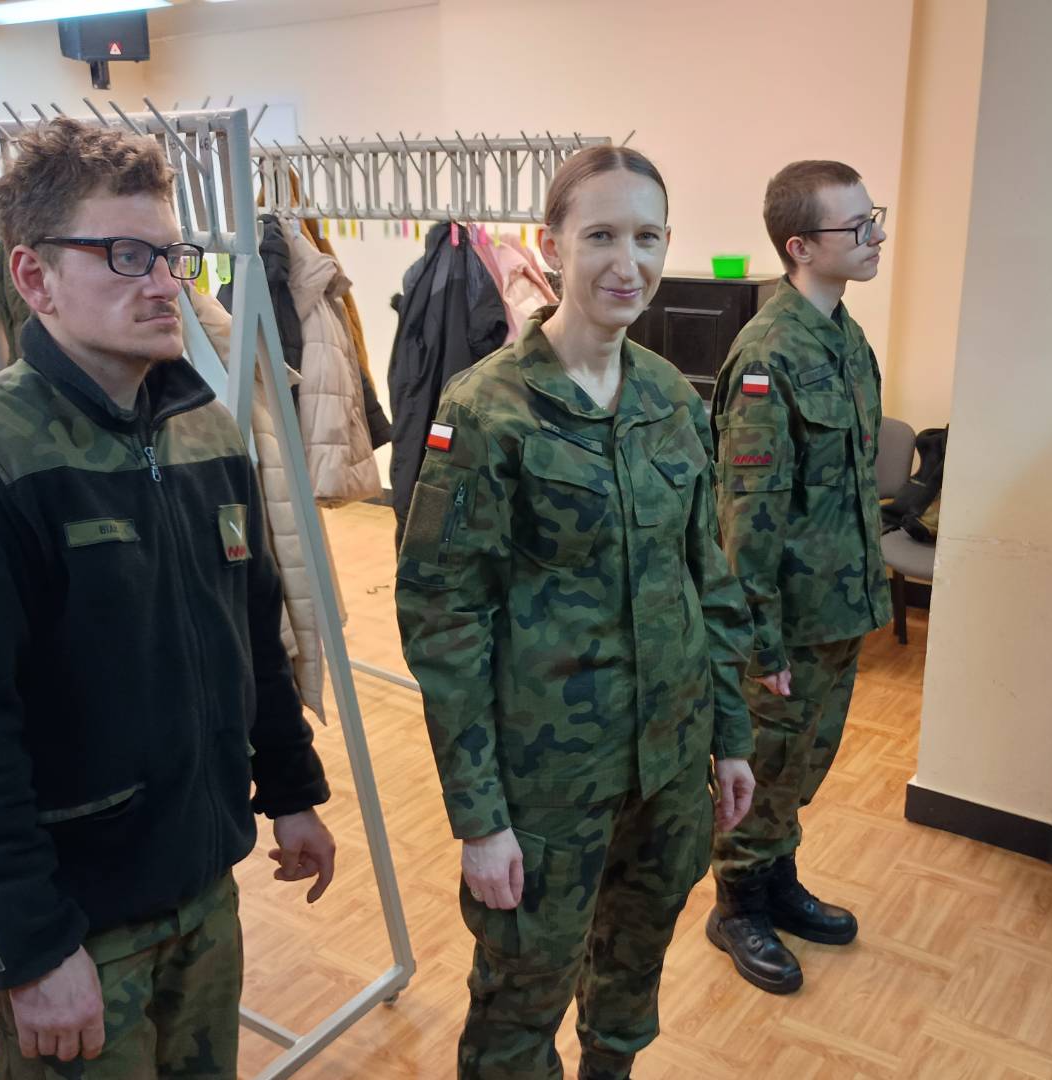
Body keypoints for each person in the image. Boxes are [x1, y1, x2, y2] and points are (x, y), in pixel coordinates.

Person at [0, 118, 337, 1078]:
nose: (166, 283)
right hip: (77, 925)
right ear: (35, 277)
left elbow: (250, 634)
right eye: (127, 256)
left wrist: (292, 790)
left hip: (206, 890)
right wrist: (30, 947)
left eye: (171, 254)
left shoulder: (206, 432)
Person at [395, 145, 756, 1080]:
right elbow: (443, 617)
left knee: (631, 978)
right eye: (600, 236)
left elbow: (708, 579)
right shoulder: (487, 410)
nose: (626, 264)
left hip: (668, 766)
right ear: (550, 246)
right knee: (520, 1007)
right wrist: (480, 817)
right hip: (547, 784)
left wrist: (732, 736)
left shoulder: (673, 399)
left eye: (647, 238)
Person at [705, 160, 891, 994]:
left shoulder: (845, 337)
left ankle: (776, 880)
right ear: (799, 246)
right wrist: (760, 644)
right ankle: (737, 904)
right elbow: (746, 521)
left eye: (875, 219)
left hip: (838, 608)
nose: (875, 237)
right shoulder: (767, 353)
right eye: (857, 226)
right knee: (768, 763)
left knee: (802, 764)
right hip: (786, 623)